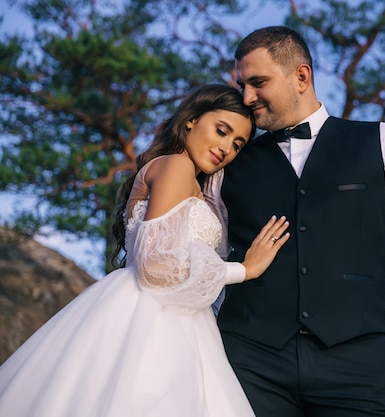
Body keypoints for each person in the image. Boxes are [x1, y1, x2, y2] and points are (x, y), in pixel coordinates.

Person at [203, 26, 385, 416]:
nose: (246, 97)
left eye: (258, 82)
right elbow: (208, 262)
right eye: (242, 85)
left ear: (301, 77)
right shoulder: (228, 164)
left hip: (362, 367)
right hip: (249, 365)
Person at [0, 84, 290, 417]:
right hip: (154, 319)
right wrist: (244, 270)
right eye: (221, 131)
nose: (226, 147)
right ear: (191, 121)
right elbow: (154, 266)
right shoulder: (176, 167)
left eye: (237, 144)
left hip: (176, 316)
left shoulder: (189, 178)